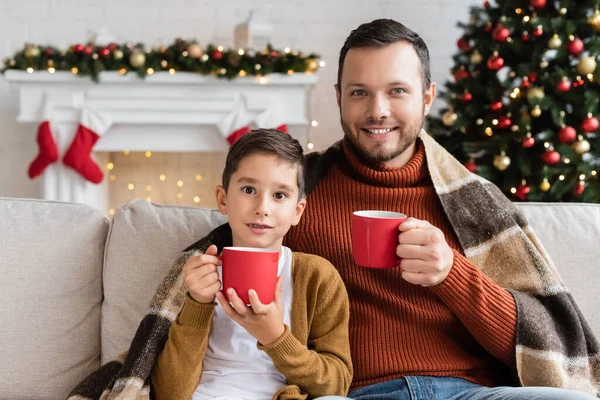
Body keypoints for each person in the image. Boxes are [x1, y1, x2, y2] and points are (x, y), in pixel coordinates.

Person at [279, 19, 599, 399]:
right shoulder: (294, 190)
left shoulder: (476, 201)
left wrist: (452, 273)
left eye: (397, 91)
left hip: (472, 393)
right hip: (353, 393)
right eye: (359, 92)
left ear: (427, 97)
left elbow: (546, 342)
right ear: (338, 97)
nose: (377, 110)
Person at [151, 129, 352, 399]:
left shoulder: (317, 277)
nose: (263, 208)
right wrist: (198, 303)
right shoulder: (198, 273)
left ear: (297, 211)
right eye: (249, 190)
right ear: (223, 199)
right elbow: (169, 393)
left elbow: (336, 385)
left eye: (279, 195)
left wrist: (275, 338)